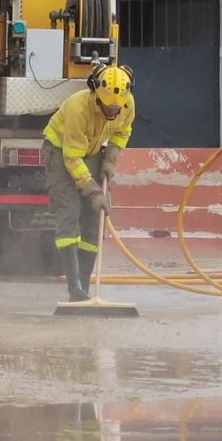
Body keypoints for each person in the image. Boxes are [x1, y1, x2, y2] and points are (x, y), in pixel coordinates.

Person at [43, 63, 134, 301]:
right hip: (61, 151)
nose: (113, 110)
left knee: (95, 219)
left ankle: (84, 287)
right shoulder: (77, 107)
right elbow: (72, 157)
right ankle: (74, 289)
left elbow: (122, 132)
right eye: (108, 106)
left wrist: (110, 161)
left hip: (92, 151)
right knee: (69, 213)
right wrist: (93, 192)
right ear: (97, 94)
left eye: (117, 107)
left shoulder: (126, 103)